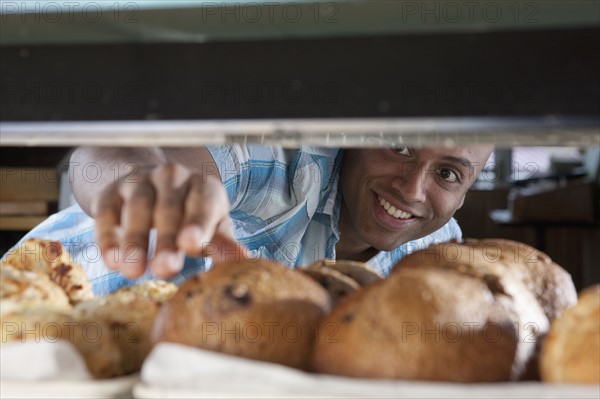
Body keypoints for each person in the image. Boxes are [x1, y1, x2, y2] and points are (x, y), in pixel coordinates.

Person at [9, 144, 493, 295]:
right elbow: (114, 154)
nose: (411, 190)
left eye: (448, 174)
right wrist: (141, 180)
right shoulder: (287, 162)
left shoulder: (434, 258)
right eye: (400, 148)